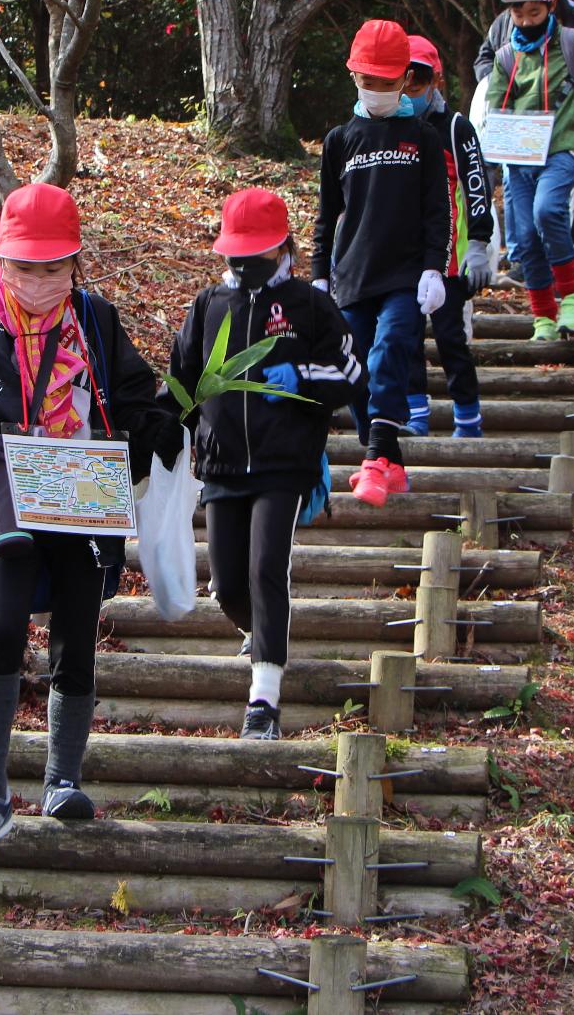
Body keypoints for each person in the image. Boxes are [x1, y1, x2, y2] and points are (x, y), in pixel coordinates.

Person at [0, 182, 181, 861]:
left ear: (75, 264)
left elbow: (141, 398)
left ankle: (62, 778)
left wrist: (158, 435)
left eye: (54, 267)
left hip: (83, 494)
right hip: (10, 496)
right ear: (0, 257)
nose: (40, 281)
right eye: (25, 266)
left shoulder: (97, 320)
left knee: (78, 632)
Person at [167, 187, 360, 740]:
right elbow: (182, 382)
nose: (242, 266)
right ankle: (262, 635)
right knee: (227, 583)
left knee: (265, 569)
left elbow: (351, 374)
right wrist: (157, 437)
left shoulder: (310, 305)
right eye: (234, 257)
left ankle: (264, 700)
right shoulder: (208, 306)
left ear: (282, 251)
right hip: (222, 464)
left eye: (254, 256)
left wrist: (299, 377)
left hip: (285, 463)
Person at [310, 18, 451, 507]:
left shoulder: (423, 136)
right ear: (354, 77)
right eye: (368, 81)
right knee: (356, 371)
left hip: (406, 275)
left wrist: (436, 266)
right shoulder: (339, 140)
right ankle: (391, 463)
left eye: (386, 83)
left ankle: (373, 461)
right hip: (351, 276)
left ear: (404, 80)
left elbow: (438, 209)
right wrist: (318, 275)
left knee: (390, 349)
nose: (376, 89)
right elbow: (328, 215)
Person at [480, 0, 574, 340]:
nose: (526, 21)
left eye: (534, 12)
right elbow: (495, 105)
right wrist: (494, 152)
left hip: (563, 145)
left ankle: (572, 299)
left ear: (550, 7)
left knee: (548, 211)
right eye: (519, 14)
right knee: (523, 238)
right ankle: (543, 316)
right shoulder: (507, 55)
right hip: (518, 157)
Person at [403, 35, 493, 439]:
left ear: (435, 81)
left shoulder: (455, 127)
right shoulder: (388, 127)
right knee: (405, 338)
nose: (408, 92)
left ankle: (468, 417)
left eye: (417, 82)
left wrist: (479, 244)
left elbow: (477, 186)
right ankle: (415, 414)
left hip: (451, 260)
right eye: (401, 82)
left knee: (451, 340)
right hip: (403, 256)